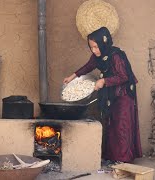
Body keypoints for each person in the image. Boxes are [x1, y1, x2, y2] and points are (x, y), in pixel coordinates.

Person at [63, 27, 142, 164]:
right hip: (111, 93)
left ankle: (123, 159)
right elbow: (88, 66)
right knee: (111, 123)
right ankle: (113, 156)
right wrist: (72, 76)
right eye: (91, 47)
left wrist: (104, 81)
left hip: (123, 94)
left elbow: (123, 76)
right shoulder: (97, 57)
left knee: (121, 125)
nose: (93, 50)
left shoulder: (116, 55)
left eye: (95, 46)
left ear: (103, 43)